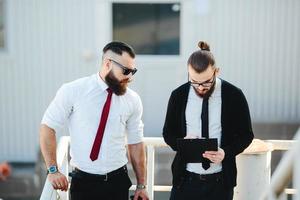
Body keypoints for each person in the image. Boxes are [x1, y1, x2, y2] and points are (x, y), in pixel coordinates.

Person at [40, 41, 149, 200]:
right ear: (107, 64)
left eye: (133, 71)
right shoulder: (73, 90)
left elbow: (136, 142)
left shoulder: (132, 99)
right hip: (83, 184)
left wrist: (141, 185)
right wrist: (53, 170)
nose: (130, 77)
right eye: (126, 71)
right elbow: (47, 127)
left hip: (118, 182)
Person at [162, 41, 254, 200]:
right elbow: (168, 133)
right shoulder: (179, 95)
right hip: (185, 181)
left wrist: (226, 153)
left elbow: (247, 135)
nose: (200, 88)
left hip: (220, 183)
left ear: (216, 71)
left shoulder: (234, 95)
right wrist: (181, 143)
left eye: (206, 82)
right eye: (194, 82)